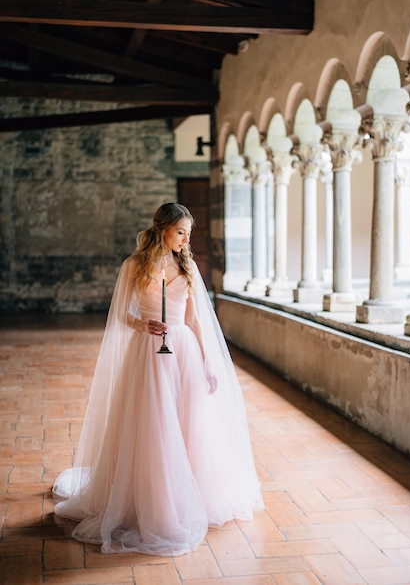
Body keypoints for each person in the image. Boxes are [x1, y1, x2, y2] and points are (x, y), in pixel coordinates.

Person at [53, 202, 264, 556]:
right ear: (162, 228)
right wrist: (143, 324)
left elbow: (195, 320)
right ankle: (152, 497)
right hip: (148, 351)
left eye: (188, 233)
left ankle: (189, 490)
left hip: (184, 350)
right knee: (153, 424)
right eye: (180, 231)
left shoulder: (189, 266)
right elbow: (122, 314)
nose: (185, 239)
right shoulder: (134, 265)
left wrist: (209, 363)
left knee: (187, 422)